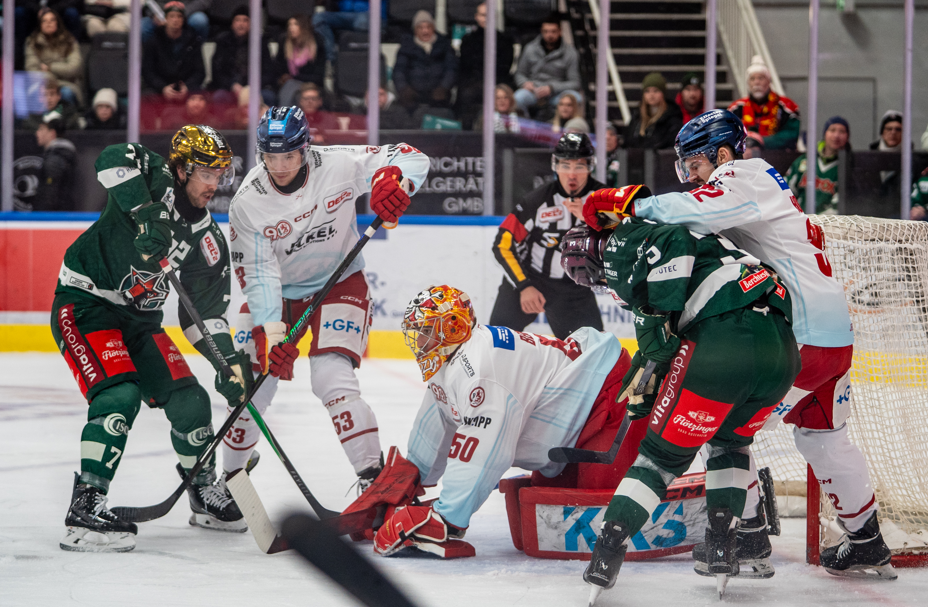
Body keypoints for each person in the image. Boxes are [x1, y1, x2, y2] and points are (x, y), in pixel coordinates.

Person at [590, 109, 897, 580]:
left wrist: (631, 205)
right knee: (824, 439)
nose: (692, 177)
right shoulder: (763, 186)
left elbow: (694, 210)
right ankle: (867, 542)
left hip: (798, 333)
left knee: (726, 428)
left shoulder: (742, 175)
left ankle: (748, 539)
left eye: (694, 165)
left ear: (723, 153)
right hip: (834, 336)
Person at [575, 190, 800, 600]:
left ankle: (606, 553)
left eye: (590, 273)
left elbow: (662, 339)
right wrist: (645, 372)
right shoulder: (706, 245)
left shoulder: (628, 238)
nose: (600, 283)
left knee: (660, 459)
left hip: (723, 344)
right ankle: (721, 547)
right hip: (781, 353)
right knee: (730, 445)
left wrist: (652, 358)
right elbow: (662, 341)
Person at [52, 126, 249, 552]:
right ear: (180, 169)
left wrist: (227, 363)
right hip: (86, 303)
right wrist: (148, 214)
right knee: (119, 396)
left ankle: (202, 491)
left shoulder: (208, 240)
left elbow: (205, 316)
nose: (214, 184)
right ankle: (86, 506)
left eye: (221, 174)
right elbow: (108, 159)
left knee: (192, 403)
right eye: (205, 173)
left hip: (141, 322)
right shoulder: (151, 174)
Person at [226, 106, 430, 491]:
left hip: (340, 283)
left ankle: (374, 481)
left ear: (305, 149)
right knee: (250, 387)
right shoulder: (247, 203)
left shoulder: (339, 165)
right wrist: (273, 336)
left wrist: (394, 180)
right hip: (278, 296)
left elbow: (412, 157)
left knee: (331, 377)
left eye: (288, 155)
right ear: (259, 154)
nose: (280, 166)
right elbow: (256, 274)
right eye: (271, 157)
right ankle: (230, 478)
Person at [369, 284, 634, 557]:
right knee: (555, 510)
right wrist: (407, 484)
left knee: (608, 512)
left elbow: (484, 449)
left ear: (452, 327)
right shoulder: (449, 357)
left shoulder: (480, 368)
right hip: (581, 405)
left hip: (611, 396)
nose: (419, 342)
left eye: (426, 332)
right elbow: (438, 418)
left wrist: (446, 518)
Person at [488, 132, 604, 339]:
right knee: (498, 340)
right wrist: (524, 286)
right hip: (530, 278)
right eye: (565, 165)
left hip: (574, 289)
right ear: (555, 165)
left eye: (579, 166)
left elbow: (624, 239)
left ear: (590, 166)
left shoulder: (604, 199)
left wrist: (590, 219)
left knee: (594, 351)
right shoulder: (536, 201)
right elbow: (502, 245)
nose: (572, 174)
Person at [455, 2, 515, 130]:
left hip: (497, 81)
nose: (486, 18)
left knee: (503, 93)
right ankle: (468, 135)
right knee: (467, 94)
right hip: (474, 82)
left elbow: (504, 66)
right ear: (477, 17)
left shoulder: (505, 40)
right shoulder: (468, 40)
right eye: (483, 15)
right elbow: (466, 65)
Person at [513, 15, 581, 118]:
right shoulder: (530, 49)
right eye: (546, 31)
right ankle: (525, 130)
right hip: (533, 91)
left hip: (557, 93)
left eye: (553, 31)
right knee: (517, 98)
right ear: (541, 31)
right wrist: (524, 83)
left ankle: (563, 128)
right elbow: (520, 73)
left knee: (577, 98)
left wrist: (552, 88)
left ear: (560, 31)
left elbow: (575, 83)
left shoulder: (570, 53)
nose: (549, 35)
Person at [728, 55, 800, 150]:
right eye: (752, 79)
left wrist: (761, 140)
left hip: (777, 158)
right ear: (748, 83)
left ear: (768, 81)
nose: (756, 82)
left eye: (761, 78)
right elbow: (728, 133)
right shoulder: (736, 108)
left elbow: (791, 134)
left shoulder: (786, 106)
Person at [392, 11, 458, 112]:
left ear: (433, 28)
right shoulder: (406, 47)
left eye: (428, 27)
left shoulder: (445, 46)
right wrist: (404, 89)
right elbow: (399, 71)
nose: (425, 31)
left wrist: (444, 87)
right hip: (412, 93)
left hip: (439, 93)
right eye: (420, 27)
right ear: (415, 30)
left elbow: (451, 69)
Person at [211, 7, 277, 108]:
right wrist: (232, 85)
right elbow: (217, 71)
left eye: (245, 20)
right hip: (229, 87)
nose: (241, 24)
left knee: (269, 97)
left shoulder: (260, 43)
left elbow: (269, 71)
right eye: (237, 20)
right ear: (232, 24)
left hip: (255, 88)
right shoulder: (223, 41)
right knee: (219, 96)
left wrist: (252, 86)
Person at [786, 116, 851, 215]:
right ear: (825, 133)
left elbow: (841, 205)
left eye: (842, 131)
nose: (836, 135)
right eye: (832, 130)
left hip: (829, 226)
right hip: (797, 221)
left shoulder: (849, 167)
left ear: (847, 137)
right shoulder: (805, 160)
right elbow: (786, 190)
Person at [142, 2, 205, 103]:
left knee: (200, 96)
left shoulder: (193, 41)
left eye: (179, 16)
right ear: (165, 19)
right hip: (161, 89)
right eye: (171, 16)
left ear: (183, 19)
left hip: (186, 88)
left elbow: (200, 71)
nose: (175, 20)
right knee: (146, 97)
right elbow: (148, 71)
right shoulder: (153, 41)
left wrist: (187, 87)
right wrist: (163, 87)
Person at [25, 8, 83, 107]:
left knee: (66, 93)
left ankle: (68, 121)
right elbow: (32, 70)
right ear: (40, 25)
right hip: (42, 85)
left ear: (58, 22)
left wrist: (49, 68)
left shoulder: (70, 41)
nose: (49, 23)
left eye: (52, 20)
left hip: (66, 84)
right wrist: (52, 82)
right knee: (37, 93)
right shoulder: (32, 42)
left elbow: (74, 68)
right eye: (44, 21)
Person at [269, 15, 326, 107]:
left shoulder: (317, 43)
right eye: (289, 25)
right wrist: (282, 77)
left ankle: (284, 117)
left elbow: (319, 76)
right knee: (289, 86)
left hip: (311, 84)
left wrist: (295, 77)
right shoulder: (284, 42)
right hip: (289, 83)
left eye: (295, 24)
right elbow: (277, 67)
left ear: (304, 27)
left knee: (291, 86)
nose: (291, 28)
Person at [312, 0, 386, 64]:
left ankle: (363, 62)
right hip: (345, 14)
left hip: (370, 14)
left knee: (361, 22)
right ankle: (331, 61)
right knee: (318, 18)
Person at [624, 72, 682, 150]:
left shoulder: (672, 120)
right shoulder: (636, 119)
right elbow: (627, 144)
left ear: (663, 93)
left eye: (656, 91)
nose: (651, 95)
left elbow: (672, 149)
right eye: (647, 91)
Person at [33, 115, 76, 212]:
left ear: (52, 133)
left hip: (51, 218)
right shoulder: (59, 155)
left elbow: (50, 194)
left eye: (41, 129)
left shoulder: (55, 159)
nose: (37, 133)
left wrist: (41, 215)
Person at [142, 0, 210, 42]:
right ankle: (150, 60)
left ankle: (196, 55)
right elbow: (148, 2)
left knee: (199, 21)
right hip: (160, 12)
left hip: (188, 11)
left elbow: (203, 1)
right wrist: (155, 14)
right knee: (142, 28)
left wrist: (180, 14)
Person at [604, 122, 621, 187]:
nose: (607, 137)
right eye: (603, 133)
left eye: (611, 134)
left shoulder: (623, 159)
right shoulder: (593, 159)